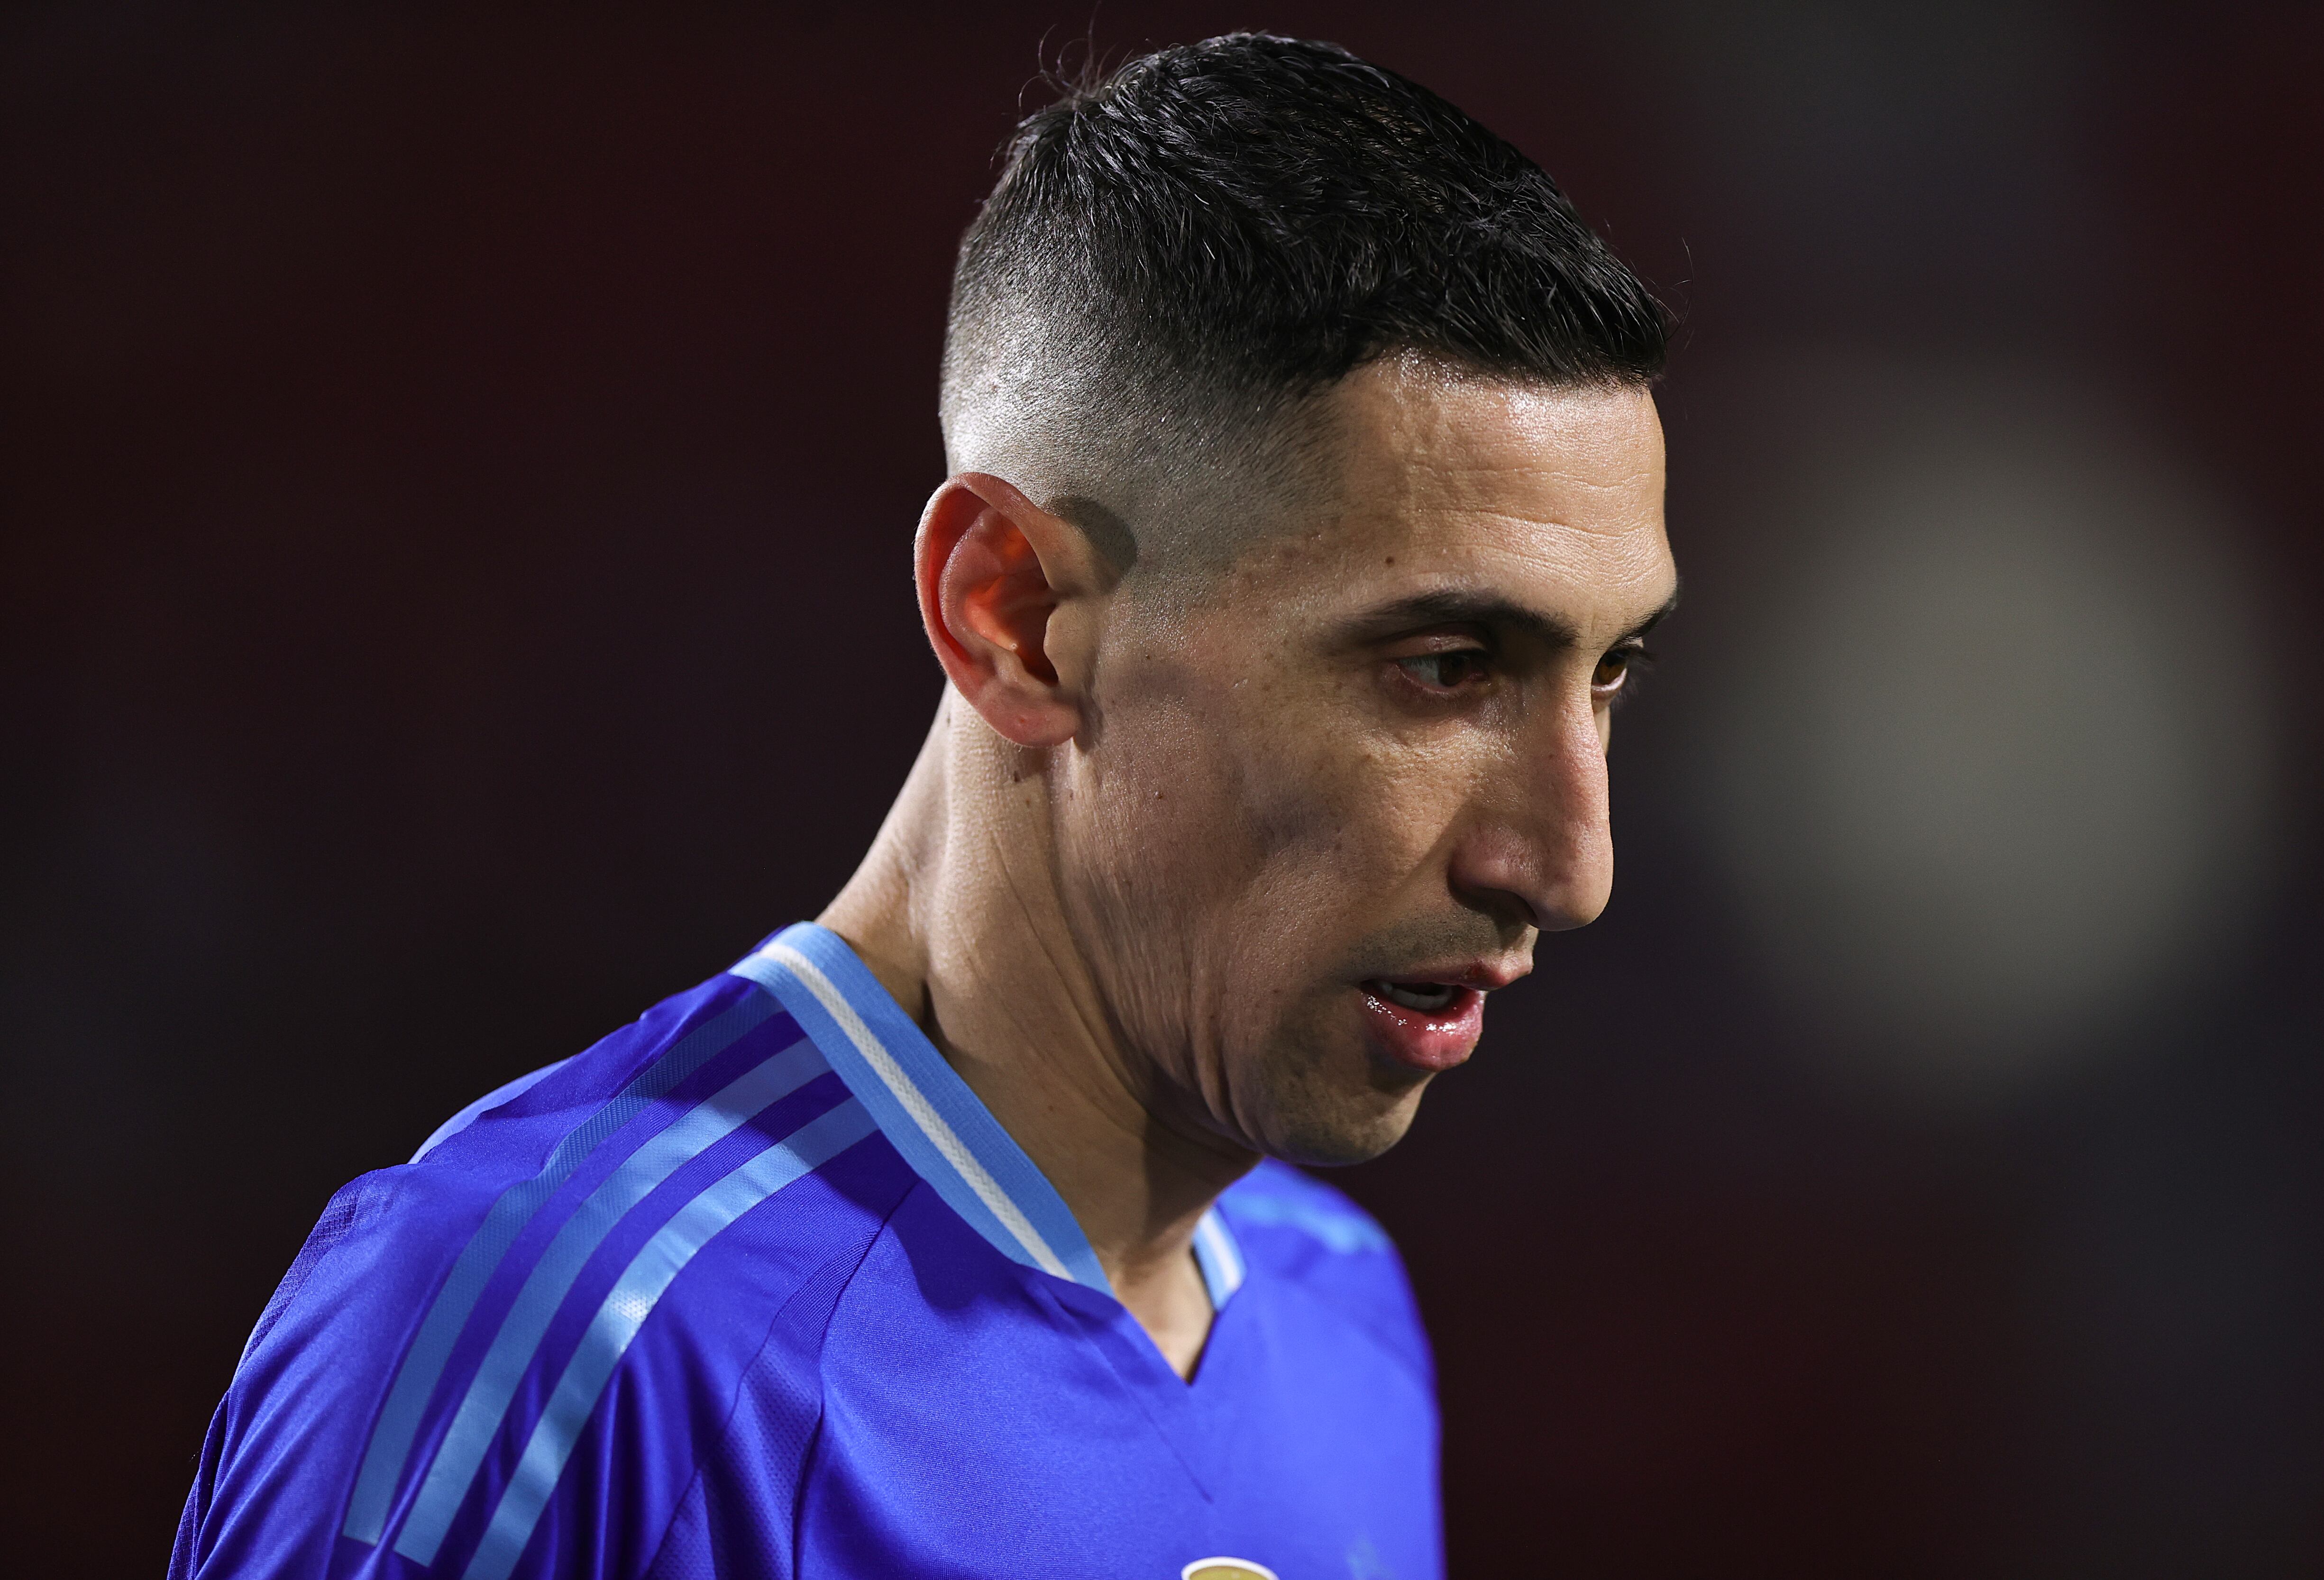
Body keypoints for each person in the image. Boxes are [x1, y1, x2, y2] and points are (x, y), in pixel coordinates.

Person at [171, 32, 1675, 1580]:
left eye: (1612, 670)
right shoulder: (563, 1348)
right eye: (1442, 668)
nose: (1572, 868)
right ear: (1016, 621)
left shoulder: (1337, 1313)